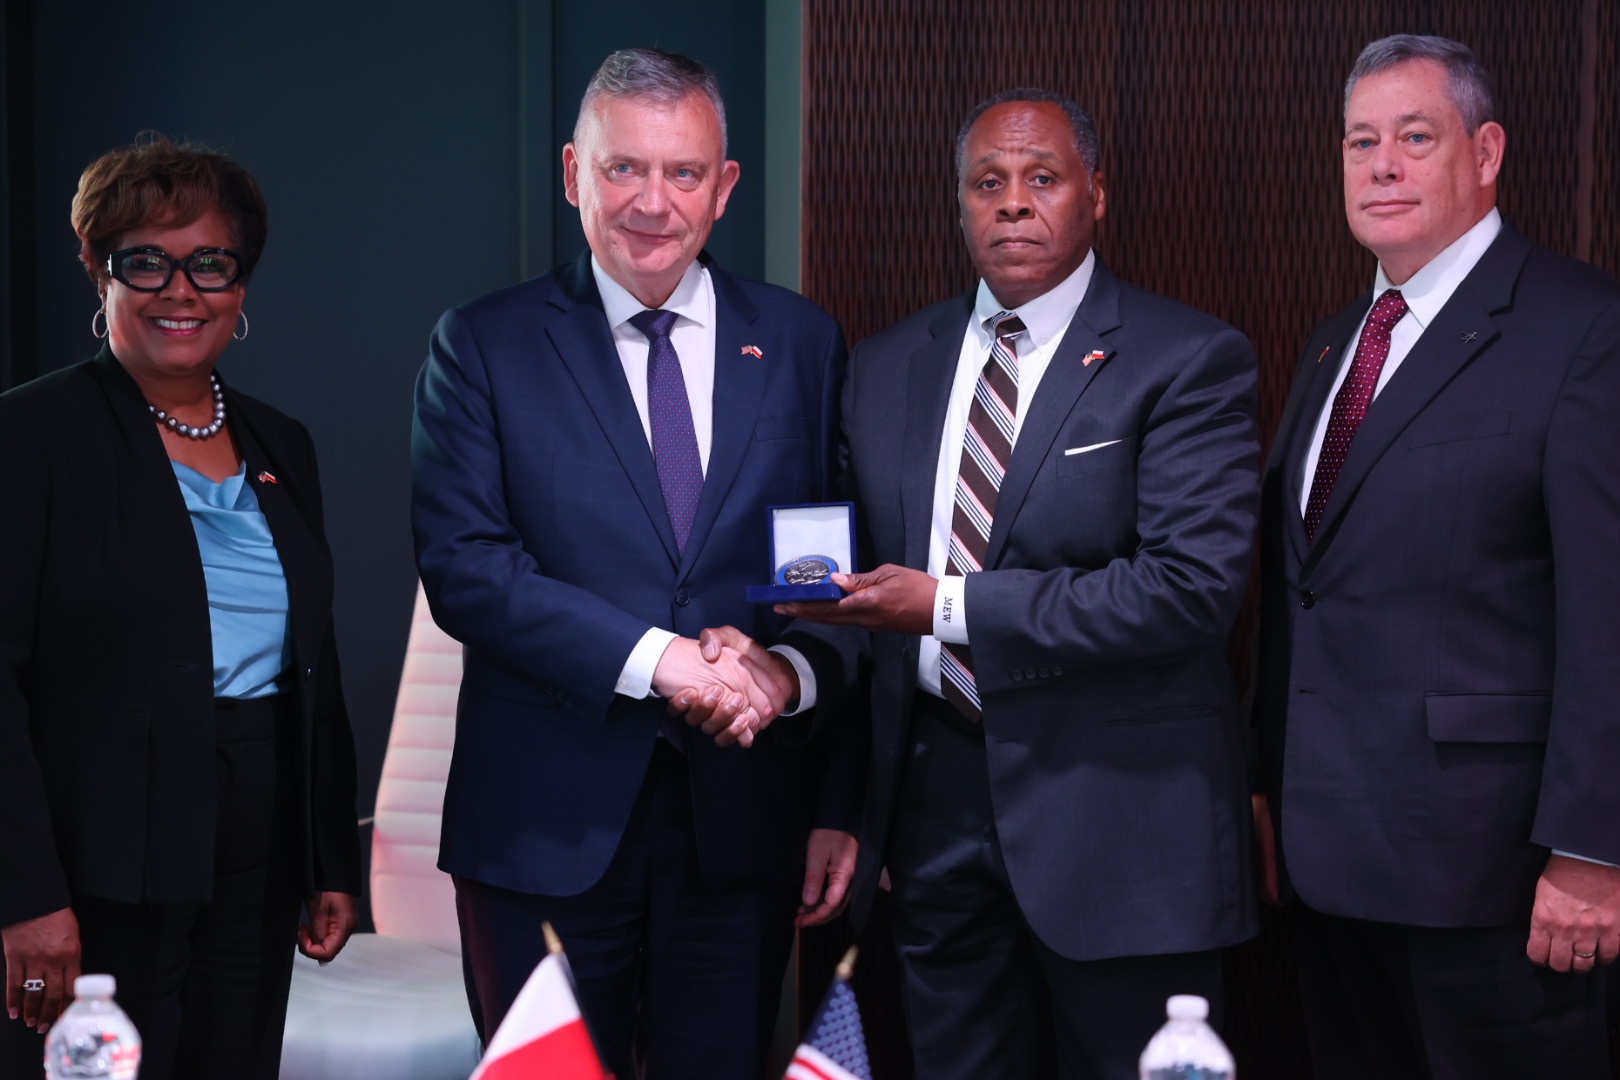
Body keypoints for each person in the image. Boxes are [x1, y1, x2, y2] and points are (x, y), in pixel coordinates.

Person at [689, 87, 1261, 1078]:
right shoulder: (884, 367)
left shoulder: (1188, 358)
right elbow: (849, 597)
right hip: (934, 817)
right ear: (960, 203)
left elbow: (1189, 590)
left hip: (1120, 822)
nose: (1013, 202)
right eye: (988, 182)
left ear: (1095, 195)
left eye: (1043, 178)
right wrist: (787, 679)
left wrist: (945, 607)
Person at [410, 47, 861, 1079]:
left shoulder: (801, 343)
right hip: (542, 830)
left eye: (684, 173)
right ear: (576, 172)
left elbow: (827, 577)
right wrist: (665, 660)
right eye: (625, 169)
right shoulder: (482, 344)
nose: (653, 203)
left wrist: (787, 677)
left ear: (724, 186)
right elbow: (468, 569)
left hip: (742, 825)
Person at [1251, 33, 1620, 1078]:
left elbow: (1610, 614)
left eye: (1415, 137)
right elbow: (1302, 591)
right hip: (1327, 864)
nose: (1382, 166)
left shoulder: (1584, 330)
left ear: (1486, 152)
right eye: (1360, 141)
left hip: (1498, 877)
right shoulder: (1336, 342)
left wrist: (1594, 851)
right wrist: (1266, 781)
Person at [0, 135, 361, 1080]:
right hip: (97, 852)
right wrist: (24, 895)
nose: (181, 291)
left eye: (210, 263)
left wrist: (328, 857)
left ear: (241, 282)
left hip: (260, 839)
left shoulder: (282, 442)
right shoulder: (29, 434)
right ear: (98, 269)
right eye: (146, 263)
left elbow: (313, 664)